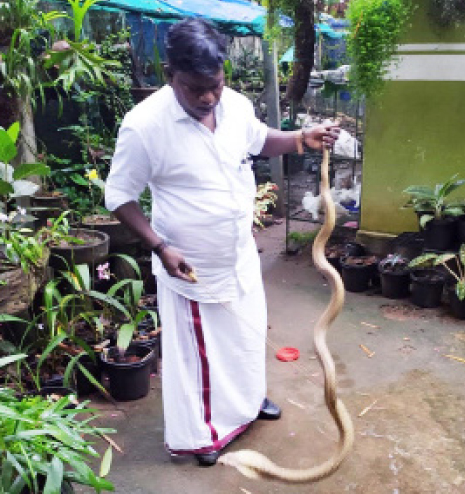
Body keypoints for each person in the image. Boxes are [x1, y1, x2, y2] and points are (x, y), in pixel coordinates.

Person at [104, 17, 340, 467]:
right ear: (170, 74)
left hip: (238, 253)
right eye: (196, 89)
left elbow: (257, 140)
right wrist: (159, 247)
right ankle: (203, 435)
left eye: (215, 83)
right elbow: (119, 196)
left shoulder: (232, 103)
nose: (209, 97)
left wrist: (299, 139)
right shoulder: (144, 127)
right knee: (202, 356)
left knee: (244, 338)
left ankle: (248, 406)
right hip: (191, 265)